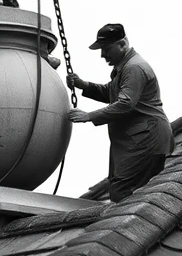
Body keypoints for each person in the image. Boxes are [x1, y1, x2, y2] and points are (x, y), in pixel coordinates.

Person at [68, 23, 173, 203]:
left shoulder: (133, 68)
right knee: (129, 191)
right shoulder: (125, 67)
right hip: (137, 139)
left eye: (106, 49)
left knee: (123, 191)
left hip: (144, 139)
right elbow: (113, 92)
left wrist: (89, 116)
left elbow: (125, 104)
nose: (102, 55)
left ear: (122, 45)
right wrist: (83, 85)